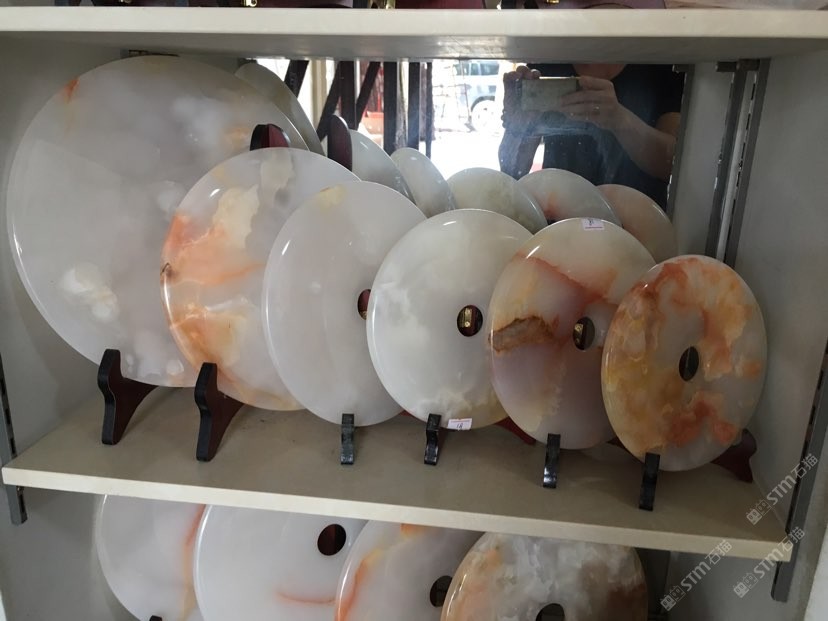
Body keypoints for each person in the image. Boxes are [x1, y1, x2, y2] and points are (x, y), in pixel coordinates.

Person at [498, 0, 684, 208]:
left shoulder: (662, 64)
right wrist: (518, 126)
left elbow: (672, 165)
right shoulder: (550, 60)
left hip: (635, 219)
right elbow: (512, 171)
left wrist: (619, 119)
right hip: (561, 215)